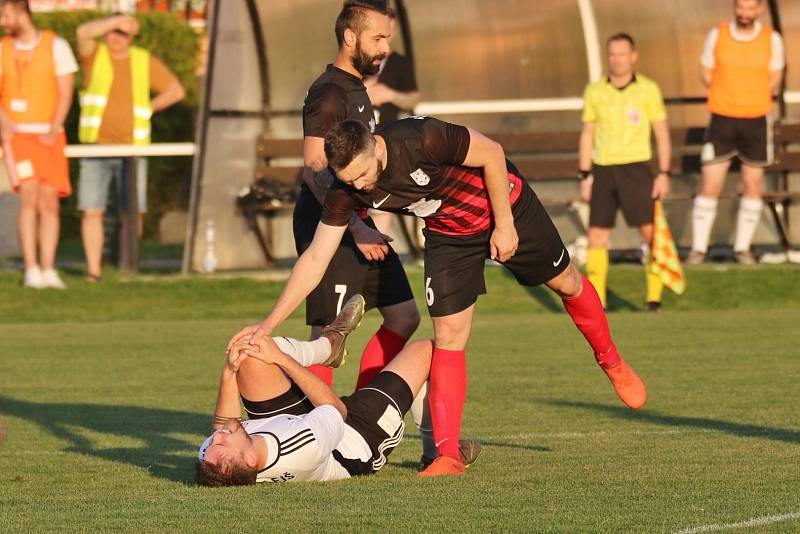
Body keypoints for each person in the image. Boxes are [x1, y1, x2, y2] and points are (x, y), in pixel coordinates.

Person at [230, 116, 648, 478]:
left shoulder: (423, 138)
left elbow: (493, 153)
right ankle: (447, 455)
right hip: (450, 236)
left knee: (567, 284)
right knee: (447, 334)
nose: (358, 186)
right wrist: (267, 325)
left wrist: (504, 224)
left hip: (507, 206)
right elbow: (315, 260)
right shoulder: (346, 188)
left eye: (361, 174)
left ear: (375, 145)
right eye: (349, 180)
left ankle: (610, 359)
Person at [196, 295, 435, 486]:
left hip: (290, 420)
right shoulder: (302, 448)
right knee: (425, 350)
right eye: (223, 443)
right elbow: (336, 410)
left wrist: (229, 372)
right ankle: (434, 451)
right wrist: (282, 359)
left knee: (250, 348)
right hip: (353, 436)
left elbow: (222, 426)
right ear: (250, 460)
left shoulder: (213, 460)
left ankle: (327, 347)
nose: (215, 437)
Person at [76, 13, 185, 281]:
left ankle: (128, 268)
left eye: (123, 32)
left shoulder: (142, 60)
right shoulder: (95, 55)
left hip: (133, 149)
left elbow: (175, 90)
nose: (116, 36)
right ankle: (94, 272)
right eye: (113, 30)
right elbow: (82, 32)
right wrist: (117, 20)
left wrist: (148, 109)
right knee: (92, 209)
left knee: (133, 211)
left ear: (132, 36)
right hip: (95, 148)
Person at [578, 33, 671, 311]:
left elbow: (662, 133)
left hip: (637, 168)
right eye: (612, 54)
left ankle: (654, 298)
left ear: (634, 56)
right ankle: (598, 301)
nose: (616, 59)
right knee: (597, 235)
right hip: (604, 169)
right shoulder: (595, 90)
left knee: (649, 232)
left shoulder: (648, 89)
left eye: (622, 53)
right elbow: (587, 135)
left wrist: (664, 173)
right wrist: (584, 175)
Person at [688, 0, 785, 265]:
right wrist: (727, 93)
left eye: (750, 8)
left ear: (760, 9)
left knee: (752, 184)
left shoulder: (771, 39)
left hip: (756, 120)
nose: (744, 13)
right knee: (710, 183)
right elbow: (705, 71)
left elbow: (774, 78)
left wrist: (751, 95)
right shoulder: (717, 34)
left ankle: (742, 249)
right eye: (740, 7)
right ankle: (698, 250)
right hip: (721, 119)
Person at [0, 0, 77, 289]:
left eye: (6, 15)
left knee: (49, 201)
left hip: (50, 135)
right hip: (18, 135)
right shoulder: (3, 48)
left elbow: (65, 90)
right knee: (28, 196)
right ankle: (31, 268)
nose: (3, 21)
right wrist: (4, 122)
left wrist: (56, 125)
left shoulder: (56, 46)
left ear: (22, 13)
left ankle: (48, 268)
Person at [364, 8, 421, 235]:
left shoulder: (400, 63)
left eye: (390, 30)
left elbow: (414, 98)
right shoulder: (359, 58)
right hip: (358, 134)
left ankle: (378, 246)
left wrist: (390, 95)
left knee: (380, 188)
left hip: (386, 136)